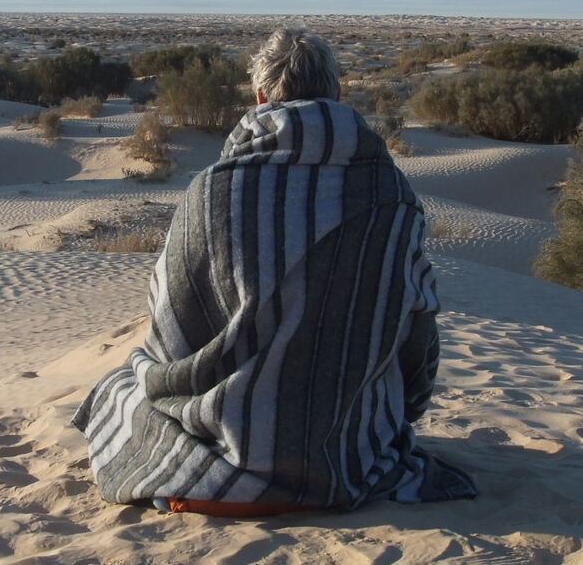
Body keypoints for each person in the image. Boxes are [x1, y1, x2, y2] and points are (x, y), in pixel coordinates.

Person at [72, 28, 476, 516]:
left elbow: (171, 318)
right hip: (346, 446)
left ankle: (216, 466)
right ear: (338, 93)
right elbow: (417, 323)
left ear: (260, 97)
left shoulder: (212, 191)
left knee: (124, 386)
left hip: (221, 424)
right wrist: (402, 414)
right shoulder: (389, 192)